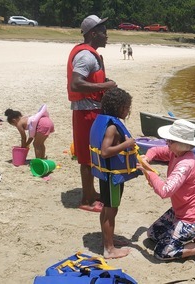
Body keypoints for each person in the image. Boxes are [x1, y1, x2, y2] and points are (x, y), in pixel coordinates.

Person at [136, 119, 195, 266]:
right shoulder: (175, 153)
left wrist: (147, 171)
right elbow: (155, 150)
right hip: (181, 210)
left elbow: (165, 191)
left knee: (162, 252)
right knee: (152, 235)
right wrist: (147, 157)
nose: (166, 142)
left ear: (180, 144)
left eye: (170, 140)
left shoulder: (185, 164)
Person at [67, 14, 117, 212]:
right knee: (87, 157)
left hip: (90, 110)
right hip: (85, 112)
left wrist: (104, 84)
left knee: (92, 154)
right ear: (93, 34)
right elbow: (76, 83)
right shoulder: (86, 56)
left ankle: (91, 191)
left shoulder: (90, 54)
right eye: (103, 32)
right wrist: (106, 84)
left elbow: (89, 81)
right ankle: (86, 200)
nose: (107, 35)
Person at [89, 87, 138, 259]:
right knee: (111, 210)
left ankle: (108, 240)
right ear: (118, 107)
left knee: (108, 208)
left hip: (109, 175)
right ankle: (109, 249)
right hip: (111, 176)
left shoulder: (104, 120)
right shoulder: (111, 128)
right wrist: (127, 144)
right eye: (126, 108)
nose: (128, 111)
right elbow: (105, 151)